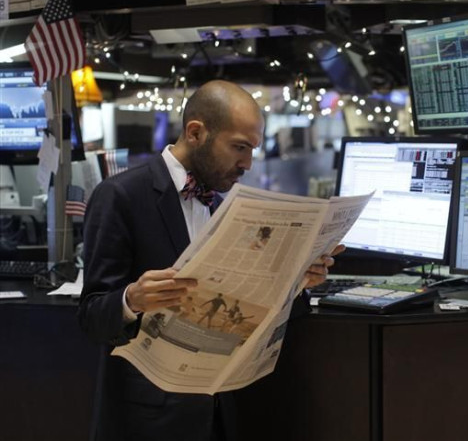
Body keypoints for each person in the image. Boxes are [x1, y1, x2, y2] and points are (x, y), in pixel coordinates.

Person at [78, 80, 344, 441]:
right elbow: (92, 317)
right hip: (146, 421)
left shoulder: (225, 207)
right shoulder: (119, 196)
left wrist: (297, 282)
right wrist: (131, 300)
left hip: (218, 413)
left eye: (252, 149)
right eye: (239, 147)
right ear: (196, 132)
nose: (247, 163)